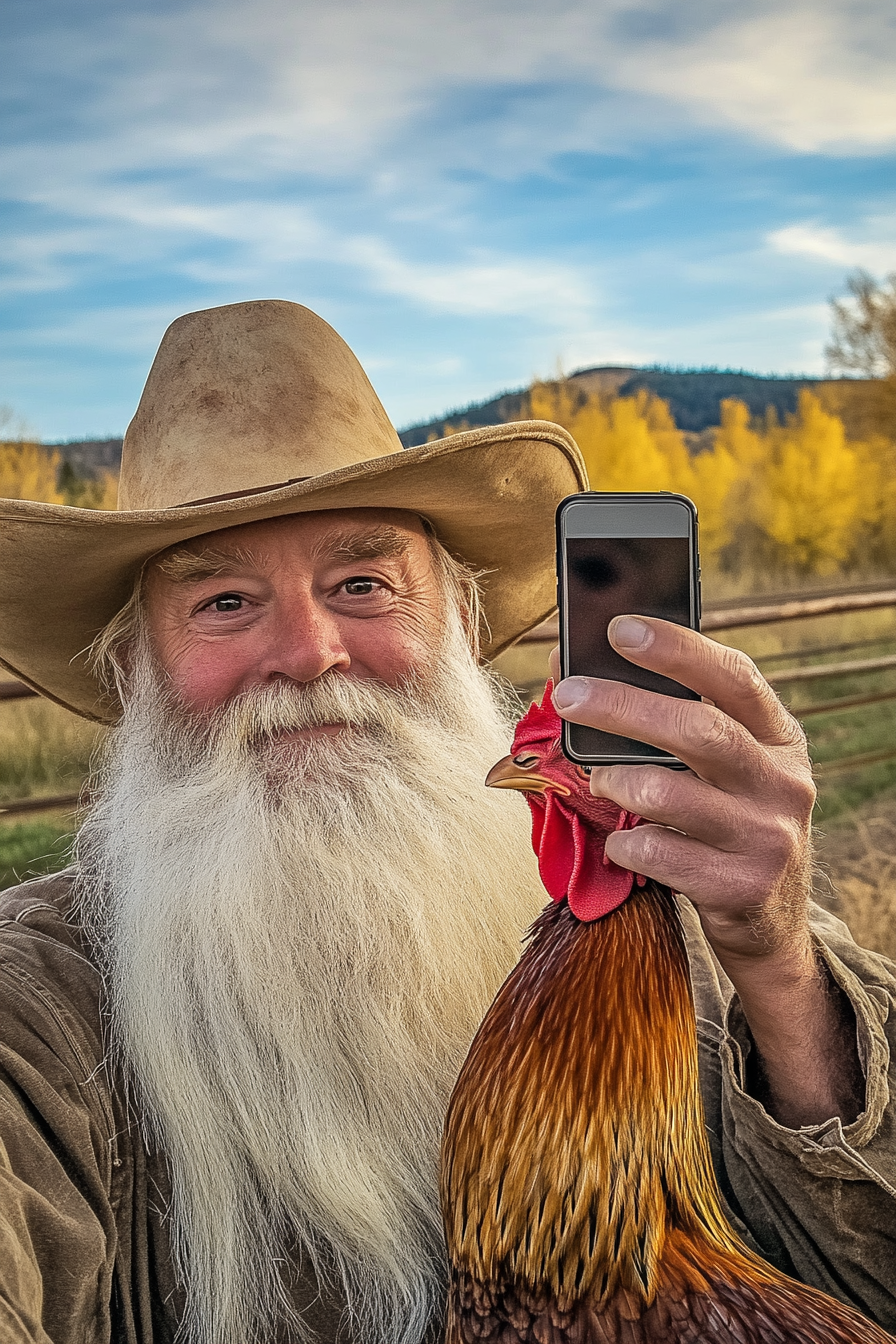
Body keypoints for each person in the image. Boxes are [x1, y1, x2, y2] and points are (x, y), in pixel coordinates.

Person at [0, 300, 892, 1344]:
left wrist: (778, 960)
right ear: (133, 672)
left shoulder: (660, 906)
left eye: (363, 583)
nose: (310, 650)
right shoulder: (44, 1011)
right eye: (224, 604)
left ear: (460, 623)